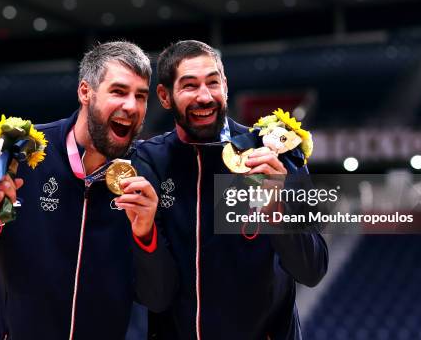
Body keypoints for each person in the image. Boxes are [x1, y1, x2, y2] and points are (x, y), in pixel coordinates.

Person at [0, 41, 177, 339]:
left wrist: (146, 234)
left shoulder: (143, 173)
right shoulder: (16, 151)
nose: (132, 106)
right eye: (119, 92)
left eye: (141, 96)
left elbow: (158, 298)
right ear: (85, 92)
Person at [132, 40, 328, 339]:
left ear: (225, 85)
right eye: (189, 86)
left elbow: (312, 270)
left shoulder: (275, 151)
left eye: (213, 82)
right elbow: (156, 296)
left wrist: (278, 211)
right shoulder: (150, 162)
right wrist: (144, 234)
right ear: (165, 96)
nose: (205, 96)